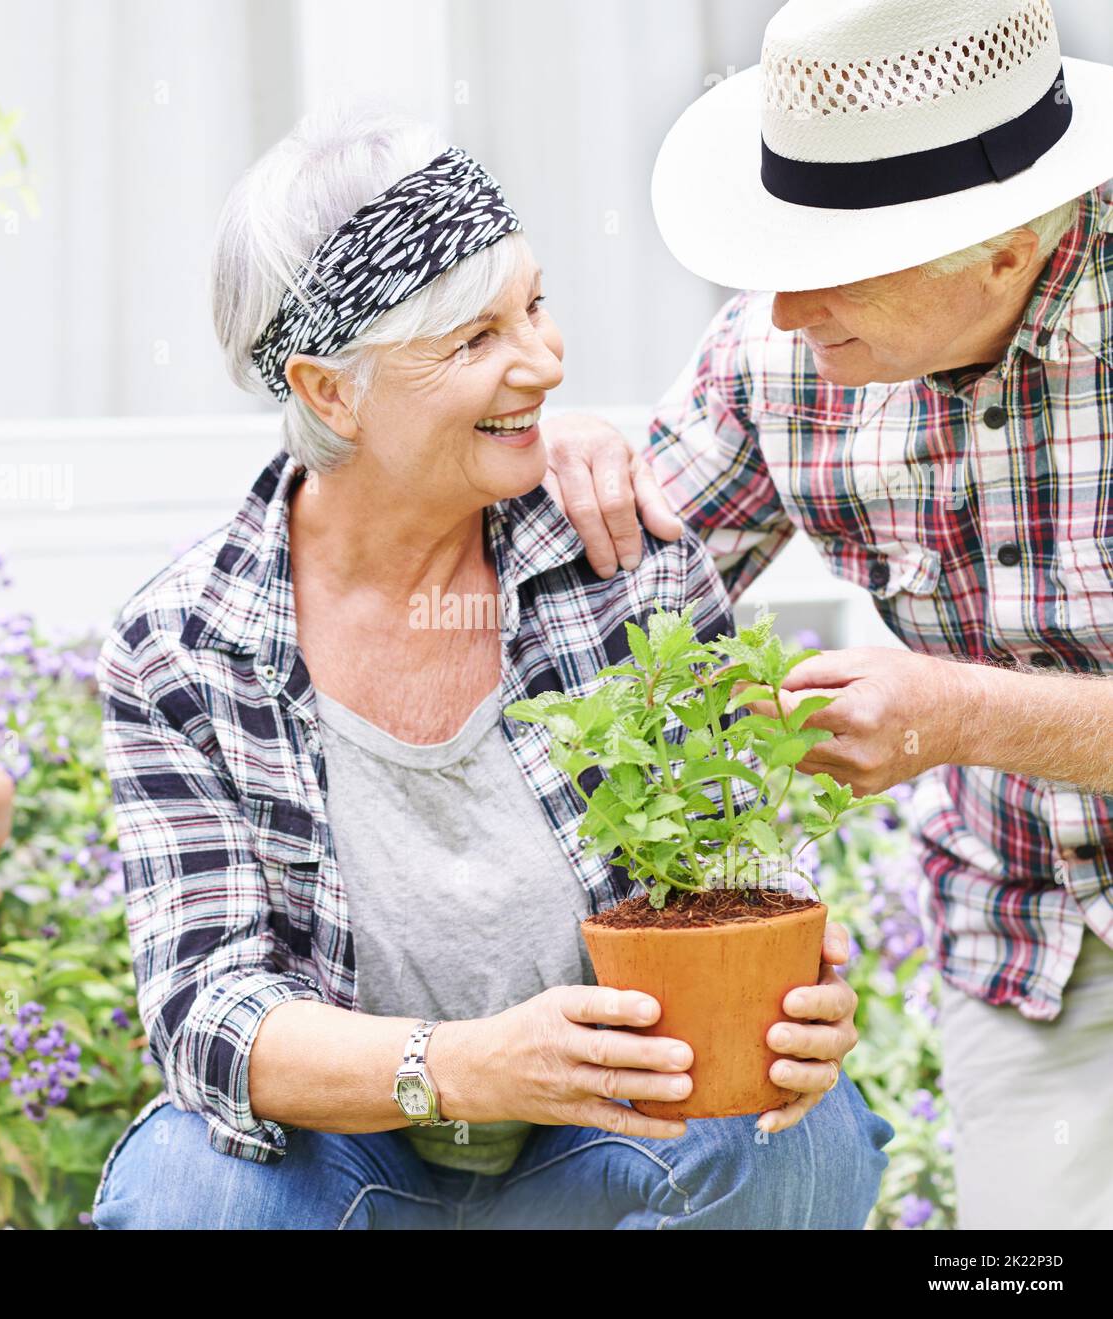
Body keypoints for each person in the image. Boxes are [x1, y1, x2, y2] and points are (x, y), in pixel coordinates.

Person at [89, 105, 893, 1230]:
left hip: (613, 1142)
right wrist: (462, 1063)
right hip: (351, 1162)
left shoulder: (617, 555)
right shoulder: (184, 644)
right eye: (474, 341)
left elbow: (753, 866)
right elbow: (206, 1006)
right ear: (330, 392)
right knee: (187, 1190)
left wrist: (802, 995)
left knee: (794, 1144)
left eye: (535, 304)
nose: (547, 360)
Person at [542, 0, 1113, 1230]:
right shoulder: (778, 354)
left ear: (1005, 249)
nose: (784, 312)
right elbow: (596, 605)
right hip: (1029, 935)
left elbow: (963, 708)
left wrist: (964, 711)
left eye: (829, 266)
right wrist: (527, 454)